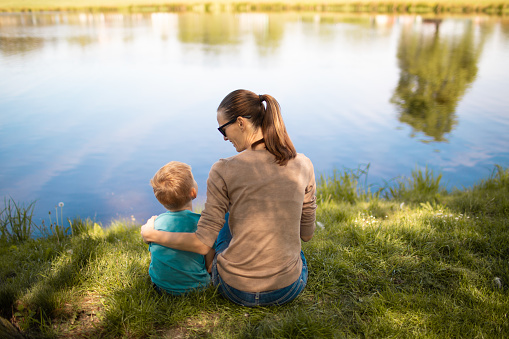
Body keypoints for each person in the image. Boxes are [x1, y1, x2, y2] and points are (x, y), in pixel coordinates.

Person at [141, 89, 317, 306]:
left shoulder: (223, 169)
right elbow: (306, 235)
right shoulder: (303, 164)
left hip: (234, 289)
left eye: (224, 129)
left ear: (241, 122)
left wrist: (152, 234)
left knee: (225, 214)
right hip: (287, 289)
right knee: (296, 255)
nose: (224, 137)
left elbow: (202, 244)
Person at [147, 161, 216, 295]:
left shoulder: (156, 224)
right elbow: (209, 258)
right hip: (197, 288)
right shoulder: (201, 223)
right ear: (193, 193)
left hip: (160, 287)